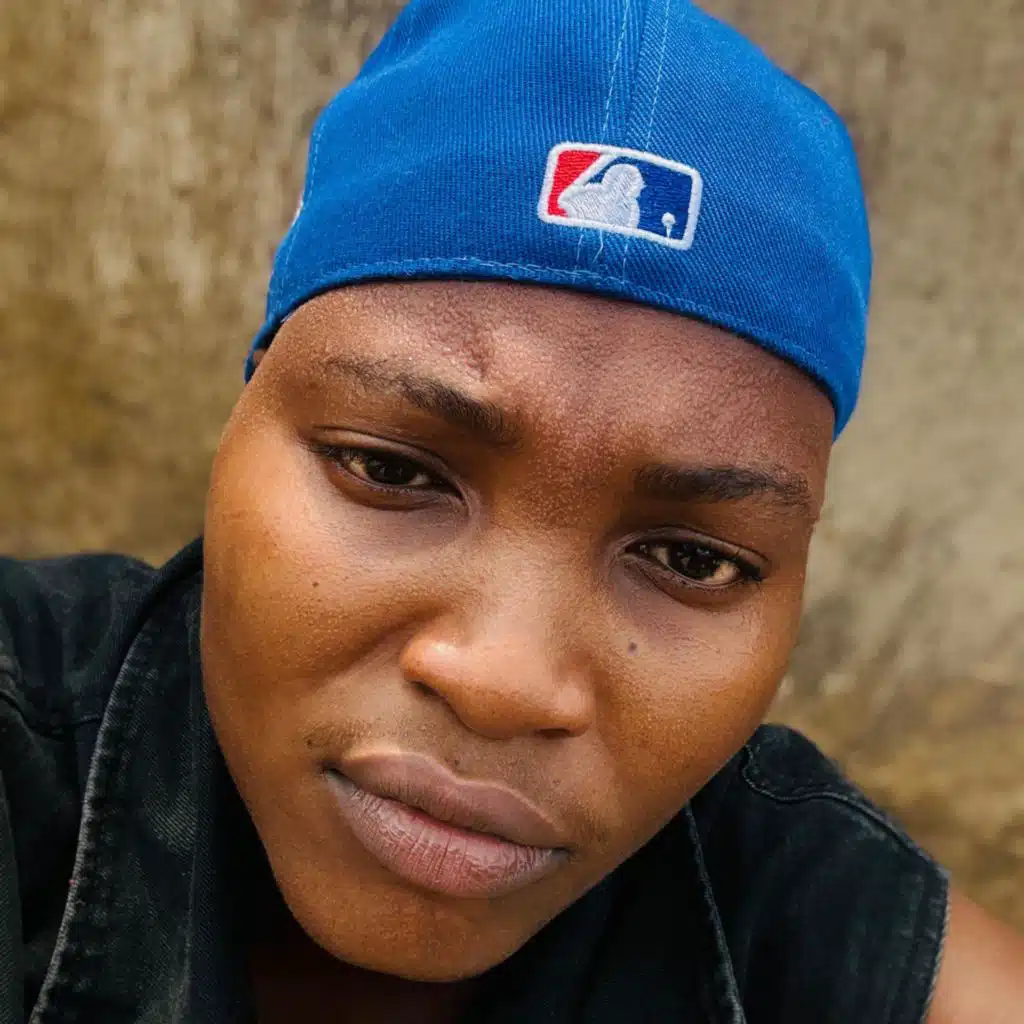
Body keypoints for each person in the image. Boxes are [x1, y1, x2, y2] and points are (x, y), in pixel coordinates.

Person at [1, 1, 1021, 1022]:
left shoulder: (810, 925)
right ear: (242, 419)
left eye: (690, 559)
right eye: (390, 471)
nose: (502, 682)